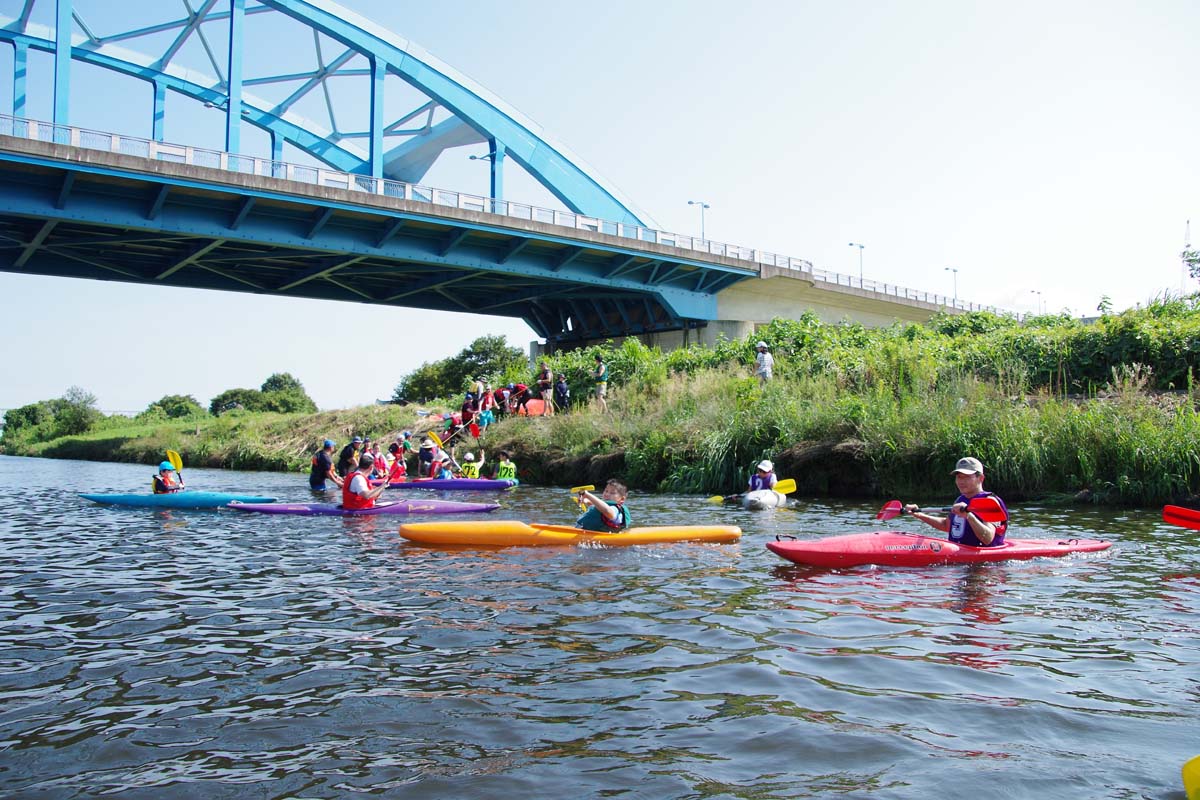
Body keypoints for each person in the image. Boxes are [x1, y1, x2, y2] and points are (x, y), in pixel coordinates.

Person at [904, 457, 1009, 547]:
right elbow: (946, 525)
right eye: (959, 477)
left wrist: (969, 516)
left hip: (985, 565)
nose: (961, 481)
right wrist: (919, 515)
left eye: (967, 477)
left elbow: (988, 538)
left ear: (980, 478)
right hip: (961, 558)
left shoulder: (989, 501)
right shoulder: (960, 500)